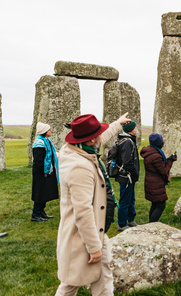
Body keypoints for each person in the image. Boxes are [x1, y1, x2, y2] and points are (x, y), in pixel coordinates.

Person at [55, 112, 130, 296]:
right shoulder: (79, 167)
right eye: (97, 134)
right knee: (70, 284)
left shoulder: (78, 150)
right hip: (83, 237)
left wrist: (117, 124)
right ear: (90, 141)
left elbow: (100, 139)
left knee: (103, 280)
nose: (100, 137)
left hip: (97, 230)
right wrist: (94, 247)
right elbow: (83, 211)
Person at [140, 133, 177, 222]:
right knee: (161, 205)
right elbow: (164, 171)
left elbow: (159, 165)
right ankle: (152, 224)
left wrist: (168, 159)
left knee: (155, 204)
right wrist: (171, 161)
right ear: (159, 143)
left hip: (151, 181)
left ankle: (150, 224)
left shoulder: (151, 152)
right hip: (155, 183)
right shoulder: (155, 155)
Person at [114, 121, 140, 231]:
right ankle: (122, 223)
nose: (137, 128)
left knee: (131, 198)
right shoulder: (127, 142)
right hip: (126, 176)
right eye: (135, 127)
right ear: (131, 129)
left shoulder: (128, 140)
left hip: (129, 177)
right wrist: (133, 172)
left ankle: (130, 219)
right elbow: (127, 161)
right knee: (125, 200)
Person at [31, 122, 59, 222]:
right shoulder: (39, 143)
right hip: (41, 173)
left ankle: (41, 212)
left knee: (44, 193)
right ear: (44, 131)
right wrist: (44, 172)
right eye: (49, 129)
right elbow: (38, 160)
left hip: (47, 172)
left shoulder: (46, 141)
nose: (50, 131)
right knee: (40, 193)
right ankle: (35, 214)